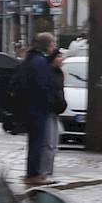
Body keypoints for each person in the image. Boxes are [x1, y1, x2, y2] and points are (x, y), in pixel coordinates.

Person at [20, 32, 67, 185]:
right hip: (39, 109)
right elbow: (43, 87)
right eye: (52, 44)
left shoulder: (31, 59)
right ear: (47, 45)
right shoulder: (39, 62)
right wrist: (51, 103)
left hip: (30, 107)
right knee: (39, 142)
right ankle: (35, 174)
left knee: (36, 141)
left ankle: (34, 173)